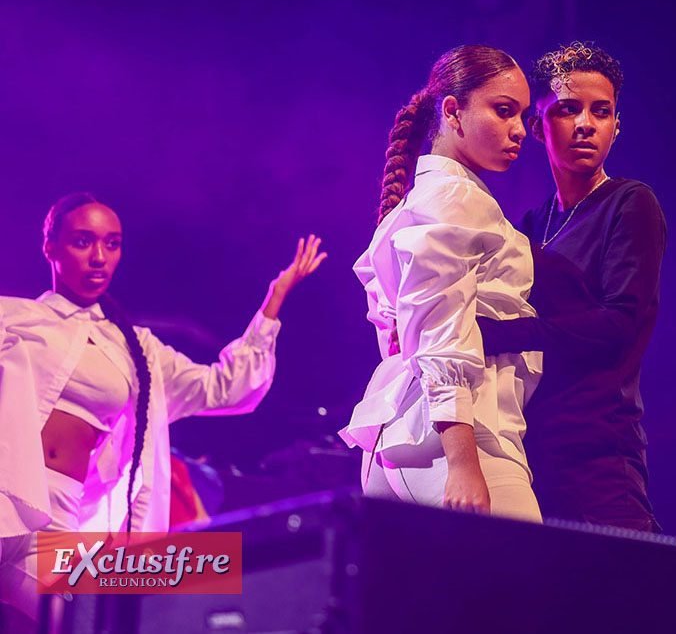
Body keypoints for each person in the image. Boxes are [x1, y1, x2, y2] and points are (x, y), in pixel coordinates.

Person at [0, 192, 325, 627]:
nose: (99, 257)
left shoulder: (138, 350)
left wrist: (274, 300)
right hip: (7, 499)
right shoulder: (12, 319)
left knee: (194, 575)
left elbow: (225, 388)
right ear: (50, 247)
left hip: (58, 520)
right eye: (82, 241)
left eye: (112, 243)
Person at [339, 44, 542, 522]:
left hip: (398, 442)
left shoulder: (421, 200)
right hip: (460, 438)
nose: (518, 130)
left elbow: (400, 332)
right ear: (453, 110)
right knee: (535, 592)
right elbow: (440, 328)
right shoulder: (454, 196)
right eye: (503, 110)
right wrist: (464, 462)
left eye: (522, 115)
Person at [475, 42, 667, 532]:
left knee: (636, 594)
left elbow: (617, 324)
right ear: (538, 127)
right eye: (568, 109)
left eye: (601, 112)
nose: (586, 123)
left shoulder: (629, 203)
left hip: (598, 449)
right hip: (534, 448)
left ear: (616, 125)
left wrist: (505, 333)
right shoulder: (530, 225)